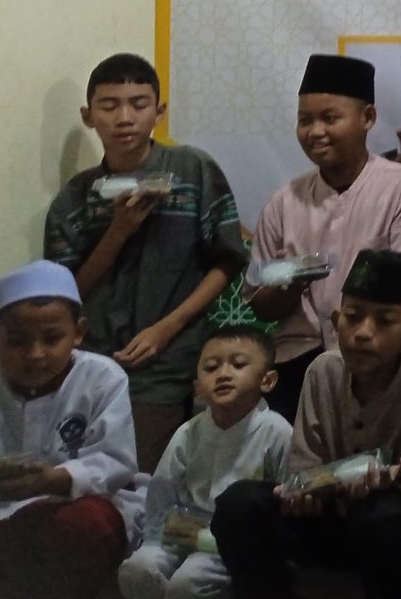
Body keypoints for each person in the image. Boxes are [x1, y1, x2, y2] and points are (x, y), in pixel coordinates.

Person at [44, 53, 248, 472]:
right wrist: (117, 231)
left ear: (159, 111)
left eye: (138, 104)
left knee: (144, 476)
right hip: (95, 361)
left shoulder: (192, 170)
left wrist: (167, 328)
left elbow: (228, 261)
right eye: (109, 105)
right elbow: (66, 294)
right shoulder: (76, 197)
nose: (124, 118)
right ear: (88, 116)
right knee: (90, 475)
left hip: (171, 360)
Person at [212, 250, 401, 599]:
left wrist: (383, 490)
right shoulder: (323, 370)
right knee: (239, 504)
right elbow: (306, 469)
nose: (363, 333)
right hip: (329, 519)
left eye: (385, 322)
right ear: (337, 321)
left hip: (391, 535)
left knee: (380, 518)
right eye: (353, 317)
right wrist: (304, 494)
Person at [0, 260, 144, 599]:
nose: (35, 354)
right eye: (17, 341)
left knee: (88, 523)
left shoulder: (103, 377)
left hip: (70, 503)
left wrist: (52, 479)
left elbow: (115, 461)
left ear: (79, 332)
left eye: (52, 338)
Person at [249, 54, 401, 420]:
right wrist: (290, 281)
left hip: (377, 359)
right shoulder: (284, 201)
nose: (315, 131)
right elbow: (260, 305)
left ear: (368, 118)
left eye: (329, 118)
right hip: (296, 361)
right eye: (305, 120)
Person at [119, 327, 291, 599]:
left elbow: (286, 500)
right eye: (211, 367)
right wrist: (159, 532)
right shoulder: (189, 432)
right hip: (183, 530)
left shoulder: (277, 432)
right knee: (138, 568)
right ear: (198, 386)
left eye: (238, 365)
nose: (223, 374)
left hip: (233, 543)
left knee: (188, 584)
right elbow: (162, 493)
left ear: (267, 380)